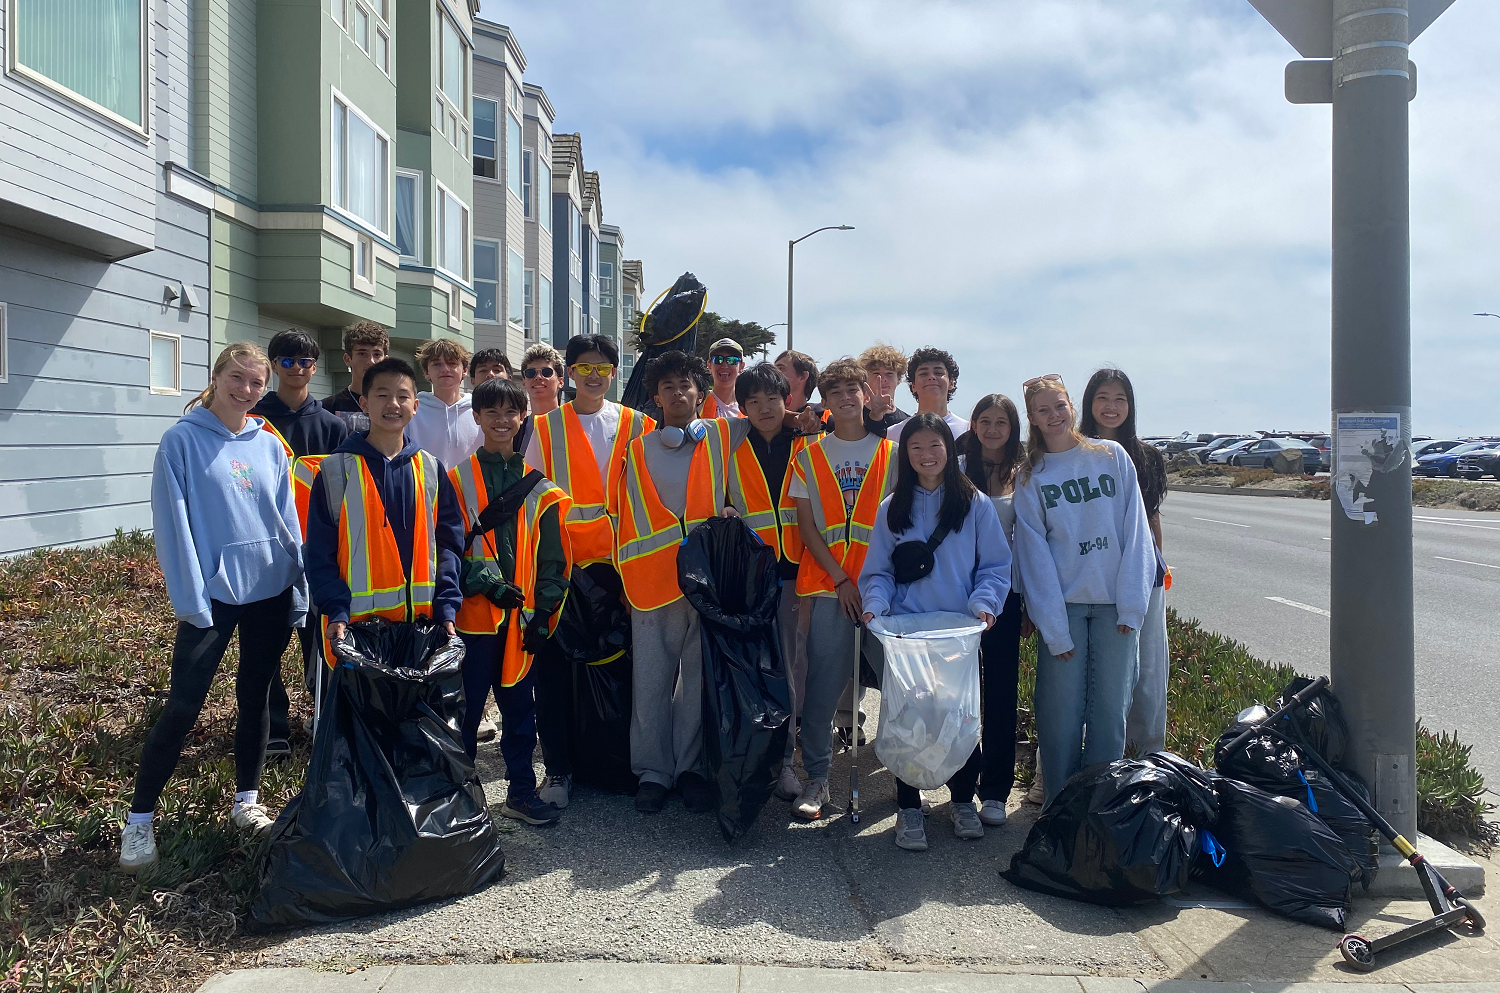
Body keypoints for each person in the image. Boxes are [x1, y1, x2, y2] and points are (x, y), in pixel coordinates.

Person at [120, 343, 307, 873]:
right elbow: (172, 524)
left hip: (269, 590)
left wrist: (298, 583)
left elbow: (284, 515)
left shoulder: (268, 443)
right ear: (217, 375)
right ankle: (139, 822)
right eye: (237, 378)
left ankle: (246, 802)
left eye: (255, 382)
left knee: (256, 700)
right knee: (183, 706)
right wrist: (191, 599)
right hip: (212, 598)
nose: (245, 390)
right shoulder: (181, 441)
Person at [861, 413, 1010, 850]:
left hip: (958, 635)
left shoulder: (974, 503)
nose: (927, 456)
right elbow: (879, 571)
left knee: (959, 717)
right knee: (910, 719)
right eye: (916, 448)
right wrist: (874, 605)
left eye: (935, 446)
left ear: (950, 449)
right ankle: (909, 807)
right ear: (905, 455)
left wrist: (984, 605)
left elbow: (996, 567)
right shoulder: (892, 508)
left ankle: (962, 799)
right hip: (908, 634)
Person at [1013, 375, 1154, 806]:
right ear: (1032, 418)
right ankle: (1059, 808)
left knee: (1110, 715)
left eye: (1059, 405)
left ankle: (1099, 809)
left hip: (1114, 606)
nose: (1053, 416)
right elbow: (1034, 557)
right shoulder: (1030, 475)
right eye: (1042, 410)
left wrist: (1132, 606)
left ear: (1072, 405)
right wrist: (1053, 628)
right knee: (1060, 716)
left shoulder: (1111, 456)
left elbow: (1136, 531)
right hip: (1066, 609)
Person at [526, 334, 654, 808]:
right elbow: (536, 501)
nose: (593, 376)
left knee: (631, 672)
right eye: (584, 368)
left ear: (615, 373)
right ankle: (558, 769)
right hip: (563, 569)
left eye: (603, 368)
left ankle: (627, 763)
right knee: (555, 672)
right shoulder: (544, 428)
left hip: (623, 568)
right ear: (571, 373)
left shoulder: (639, 424)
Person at [449, 376, 572, 826]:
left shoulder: (542, 488)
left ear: (524, 418)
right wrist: (483, 580)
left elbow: (556, 560)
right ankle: (457, 798)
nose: (502, 420)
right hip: (473, 618)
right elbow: (444, 550)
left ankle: (521, 791)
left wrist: (546, 614)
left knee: (521, 713)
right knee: (463, 714)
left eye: (510, 412)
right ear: (477, 417)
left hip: (522, 625)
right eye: (491, 412)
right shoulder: (455, 480)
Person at [304, 357, 465, 675]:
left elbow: (449, 544)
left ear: (415, 405)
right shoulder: (336, 470)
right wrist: (335, 609)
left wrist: (447, 606)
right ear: (364, 403)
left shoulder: (431, 469)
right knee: (363, 722)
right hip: (356, 630)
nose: (393, 404)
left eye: (402, 396)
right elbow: (319, 551)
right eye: (382, 395)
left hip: (423, 627)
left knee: (414, 722)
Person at [787, 358, 896, 820]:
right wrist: (841, 578)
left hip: (882, 590)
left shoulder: (891, 453)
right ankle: (817, 776)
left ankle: (907, 777)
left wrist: (867, 583)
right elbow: (807, 527)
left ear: (866, 396)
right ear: (825, 402)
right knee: (822, 688)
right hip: (830, 587)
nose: (847, 398)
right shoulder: (809, 455)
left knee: (901, 685)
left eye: (854, 390)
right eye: (836, 393)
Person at [694, 362, 807, 802]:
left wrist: (809, 420)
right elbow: (690, 427)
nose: (765, 409)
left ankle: (785, 764)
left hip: (798, 570)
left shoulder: (807, 439)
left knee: (793, 673)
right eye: (754, 401)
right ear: (740, 408)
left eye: (773, 400)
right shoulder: (729, 442)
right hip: (750, 576)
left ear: (789, 401)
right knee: (753, 672)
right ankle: (750, 758)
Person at [614, 350, 719, 815]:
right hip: (650, 581)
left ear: (701, 394)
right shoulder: (636, 450)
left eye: (687, 385)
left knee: (697, 682)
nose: (678, 393)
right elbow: (621, 517)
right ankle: (653, 772)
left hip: (705, 583)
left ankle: (692, 768)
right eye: (669, 387)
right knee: (651, 682)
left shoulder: (720, 439)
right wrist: (622, 575)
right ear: (655, 397)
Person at [250, 329, 349, 757]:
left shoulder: (332, 426)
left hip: (317, 553)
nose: (297, 369)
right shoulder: (252, 420)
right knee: (266, 641)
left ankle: (323, 716)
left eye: (306, 362)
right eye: (287, 361)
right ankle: (272, 725)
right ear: (273, 365)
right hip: (265, 550)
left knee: (321, 641)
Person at [1080, 368, 1169, 757]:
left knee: (1147, 673)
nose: (1111, 406)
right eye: (1102, 397)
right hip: (1089, 577)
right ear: (1089, 403)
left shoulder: (1146, 456)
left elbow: (1151, 517)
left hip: (1142, 575)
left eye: (1120, 398)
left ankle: (1149, 759)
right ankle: (1055, 772)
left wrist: (1159, 566)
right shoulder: (1072, 451)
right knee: (1083, 678)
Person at [959, 394, 1025, 826]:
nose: (992, 428)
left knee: (1001, 690)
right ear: (975, 424)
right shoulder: (958, 467)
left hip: (1009, 592)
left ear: (1013, 426)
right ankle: (962, 782)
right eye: (985, 420)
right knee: (961, 692)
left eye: (1001, 421)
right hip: (960, 593)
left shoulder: (1028, 470)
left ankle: (996, 789)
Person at [407, 338, 482, 471]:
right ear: (426, 372)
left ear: (465, 370)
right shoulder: (413, 410)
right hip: (427, 489)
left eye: (452, 363)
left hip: (470, 489)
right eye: (437, 364)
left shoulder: (479, 410)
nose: (445, 369)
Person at [321, 321, 389, 427]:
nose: (370, 361)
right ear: (347, 359)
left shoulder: (394, 407)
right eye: (362, 354)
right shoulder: (327, 408)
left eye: (376, 354)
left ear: (385, 361)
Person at [896, 348, 968, 443]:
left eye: (938, 373)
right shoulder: (895, 432)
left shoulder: (968, 430)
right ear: (913, 386)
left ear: (951, 383)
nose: (931, 377)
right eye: (923, 374)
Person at [858, 343, 911, 437]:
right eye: (876, 373)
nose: (883, 379)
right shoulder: (854, 418)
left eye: (889, 373)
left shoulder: (907, 423)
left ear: (899, 379)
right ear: (865, 378)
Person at [775, 349, 828, 435]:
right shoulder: (760, 417)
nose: (772, 374)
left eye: (781, 368)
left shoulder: (825, 417)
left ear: (803, 376)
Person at [701, 338, 746, 418]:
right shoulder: (698, 403)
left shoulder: (748, 406)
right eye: (718, 360)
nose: (724, 365)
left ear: (741, 366)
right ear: (709, 365)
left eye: (732, 360)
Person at [521, 343, 565, 420]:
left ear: (560, 382)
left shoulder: (576, 424)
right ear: (524, 382)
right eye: (531, 373)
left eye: (546, 372)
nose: (538, 377)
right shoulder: (517, 430)